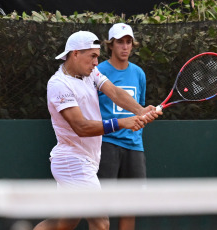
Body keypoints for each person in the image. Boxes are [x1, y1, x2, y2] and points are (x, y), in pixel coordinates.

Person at [33, 30, 161, 230]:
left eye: (97, 57)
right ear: (75, 53)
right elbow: (81, 127)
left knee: (64, 222)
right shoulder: (59, 85)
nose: (95, 62)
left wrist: (140, 110)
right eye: (92, 56)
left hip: (89, 159)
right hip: (72, 161)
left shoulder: (91, 73)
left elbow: (114, 92)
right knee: (101, 221)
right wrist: (121, 123)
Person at [96, 23, 147, 230]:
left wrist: (142, 119)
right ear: (111, 45)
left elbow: (139, 107)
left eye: (128, 42)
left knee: (130, 205)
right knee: (101, 205)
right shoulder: (98, 71)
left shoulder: (139, 74)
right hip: (106, 143)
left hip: (134, 146)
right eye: (120, 42)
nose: (125, 47)